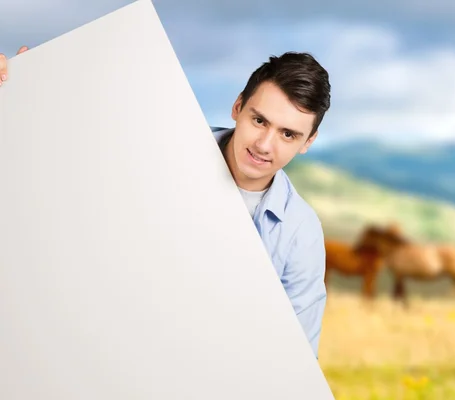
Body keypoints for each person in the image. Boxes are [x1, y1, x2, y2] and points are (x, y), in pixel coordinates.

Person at [0, 47, 331, 359]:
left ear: (308, 142)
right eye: (259, 121)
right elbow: (70, 169)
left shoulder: (301, 234)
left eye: (288, 134)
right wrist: (29, 93)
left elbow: (294, 362)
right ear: (237, 106)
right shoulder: (159, 141)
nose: (264, 145)